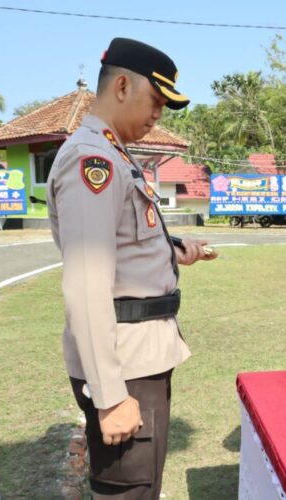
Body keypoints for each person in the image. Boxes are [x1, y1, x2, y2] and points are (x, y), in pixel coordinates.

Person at [47, 38, 218, 499]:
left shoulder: (115, 154)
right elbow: (85, 283)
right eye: (156, 101)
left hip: (140, 356)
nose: (159, 115)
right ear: (122, 85)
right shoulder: (94, 161)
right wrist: (109, 396)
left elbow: (126, 242)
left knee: (142, 486)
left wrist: (180, 249)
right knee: (129, 491)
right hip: (123, 366)